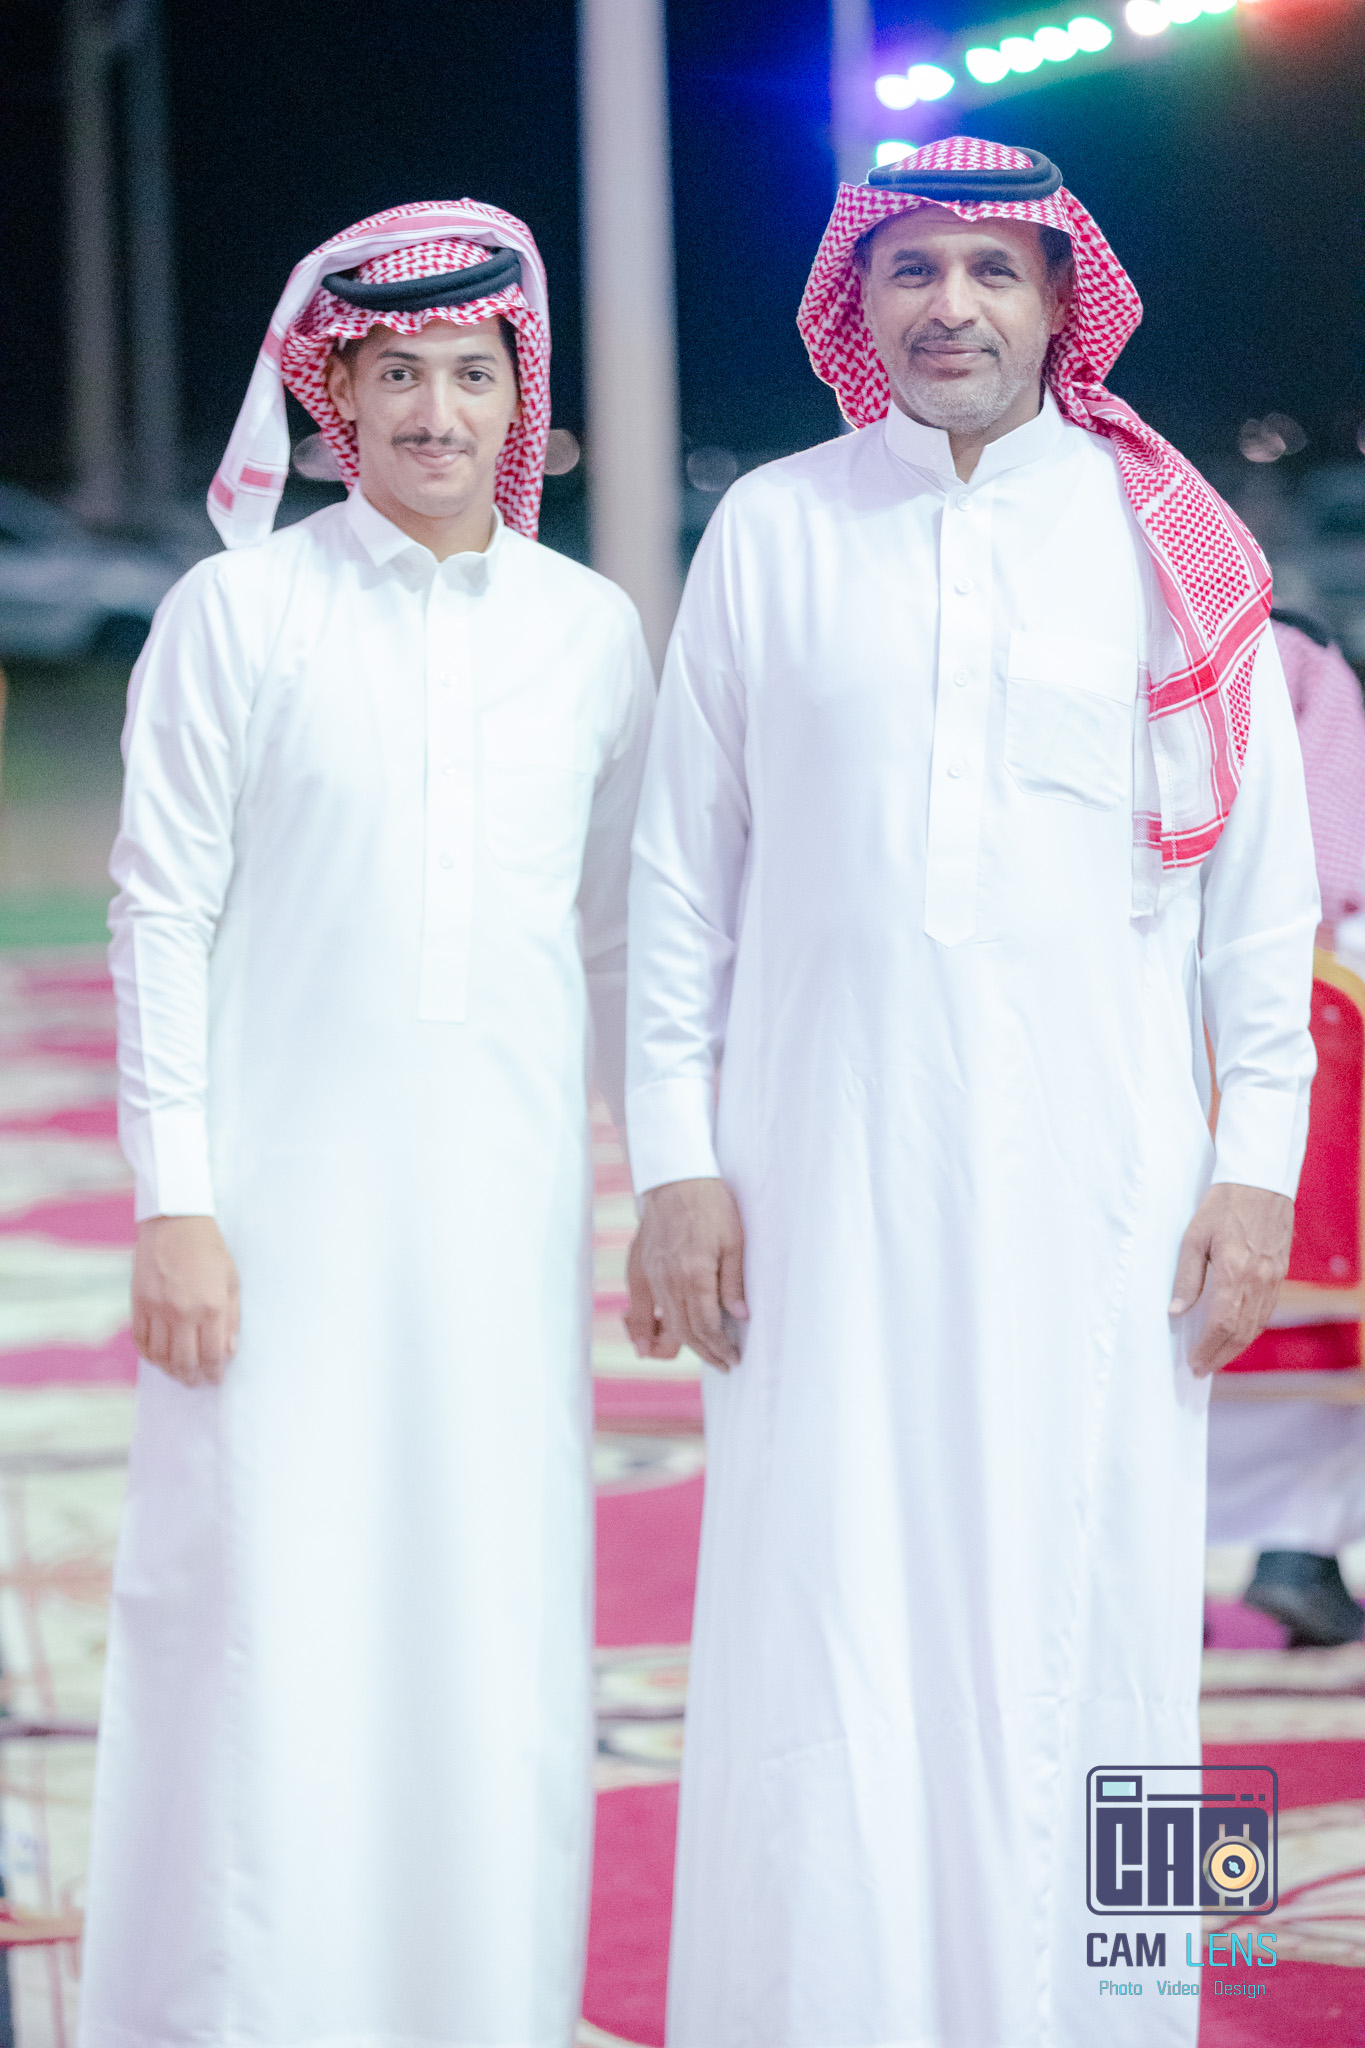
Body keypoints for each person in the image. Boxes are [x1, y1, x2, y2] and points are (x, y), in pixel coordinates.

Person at [624, 139, 1318, 2046]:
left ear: (1059, 298)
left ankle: (1125, 2012)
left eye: (992, 270)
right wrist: (674, 1162)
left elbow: (1260, 905)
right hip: (816, 1174)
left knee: (1115, 1621)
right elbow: (681, 883)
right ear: (860, 299)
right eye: (913, 268)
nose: (953, 305)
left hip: (1107, 1187)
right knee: (825, 1613)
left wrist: (1255, 1167)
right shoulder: (773, 527)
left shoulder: (1171, 543)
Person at [80, 202, 653, 2047]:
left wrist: (663, 1183)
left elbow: (617, 936)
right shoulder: (239, 611)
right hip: (270, 1229)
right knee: (269, 1617)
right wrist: (176, 1201)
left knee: (487, 1619)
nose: (434, 412)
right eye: (397, 374)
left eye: (471, 374)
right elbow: (158, 912)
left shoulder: (587, 632)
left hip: (502, 1227)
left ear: (520, 399)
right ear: (335, 402)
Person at [1207, 609, 1365, 1646]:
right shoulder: (1306, 663)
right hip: (1319, 985)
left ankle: (1139, 1576)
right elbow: (1333, 866)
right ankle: (1297, 1556)